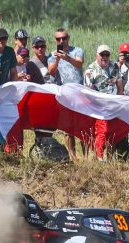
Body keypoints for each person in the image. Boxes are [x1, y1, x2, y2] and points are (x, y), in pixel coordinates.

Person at [84, 45, 125, 160]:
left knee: (112, 132)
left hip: (113, 105)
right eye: (102, 55)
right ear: (97, 55)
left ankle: (110, 158)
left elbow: (120, 87)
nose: (105, 57)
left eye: (107, 55)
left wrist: (119, 102)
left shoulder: (114, 66)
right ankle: (99, 158)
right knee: (103, 131)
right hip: (99, 107)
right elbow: (87, 92)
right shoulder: (90, 70)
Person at [48, 28, 84, 156]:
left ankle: (85, 155)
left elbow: (79, 64)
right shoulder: (52, 55)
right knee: (67, 128)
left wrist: (67, 58)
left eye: (64, 38)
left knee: (82, 127)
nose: (61, 41)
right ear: (55, 40)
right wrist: (58, 59)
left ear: (68, 38)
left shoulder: (77, 50)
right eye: (58, 39)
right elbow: (51, 71)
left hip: (79, 93)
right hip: (65, 95)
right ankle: (72, 156)